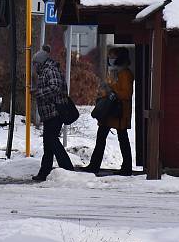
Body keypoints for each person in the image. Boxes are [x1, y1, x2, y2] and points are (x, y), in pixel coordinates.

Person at [82, 47, 134, 175]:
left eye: (113, 56)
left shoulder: (125, 74)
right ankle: (94, 165)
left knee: (122, 138)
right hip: (110, 110)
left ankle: (126, 167)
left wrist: (111, 88)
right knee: (102, 137)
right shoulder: (113, 72)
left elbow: (126, 94)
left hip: (118, 111)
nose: (110, 59)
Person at [30, 45, 75, 181]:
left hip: (54, 112)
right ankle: (44, 171)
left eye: (35, 64)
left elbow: (55, 87)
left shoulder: (50, 70)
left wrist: (38, 93)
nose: (34, 67)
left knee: (52, 141)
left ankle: (67, 168)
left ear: (40, 63)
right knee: (48, 144)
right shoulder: (46, 71)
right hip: (49, 113)